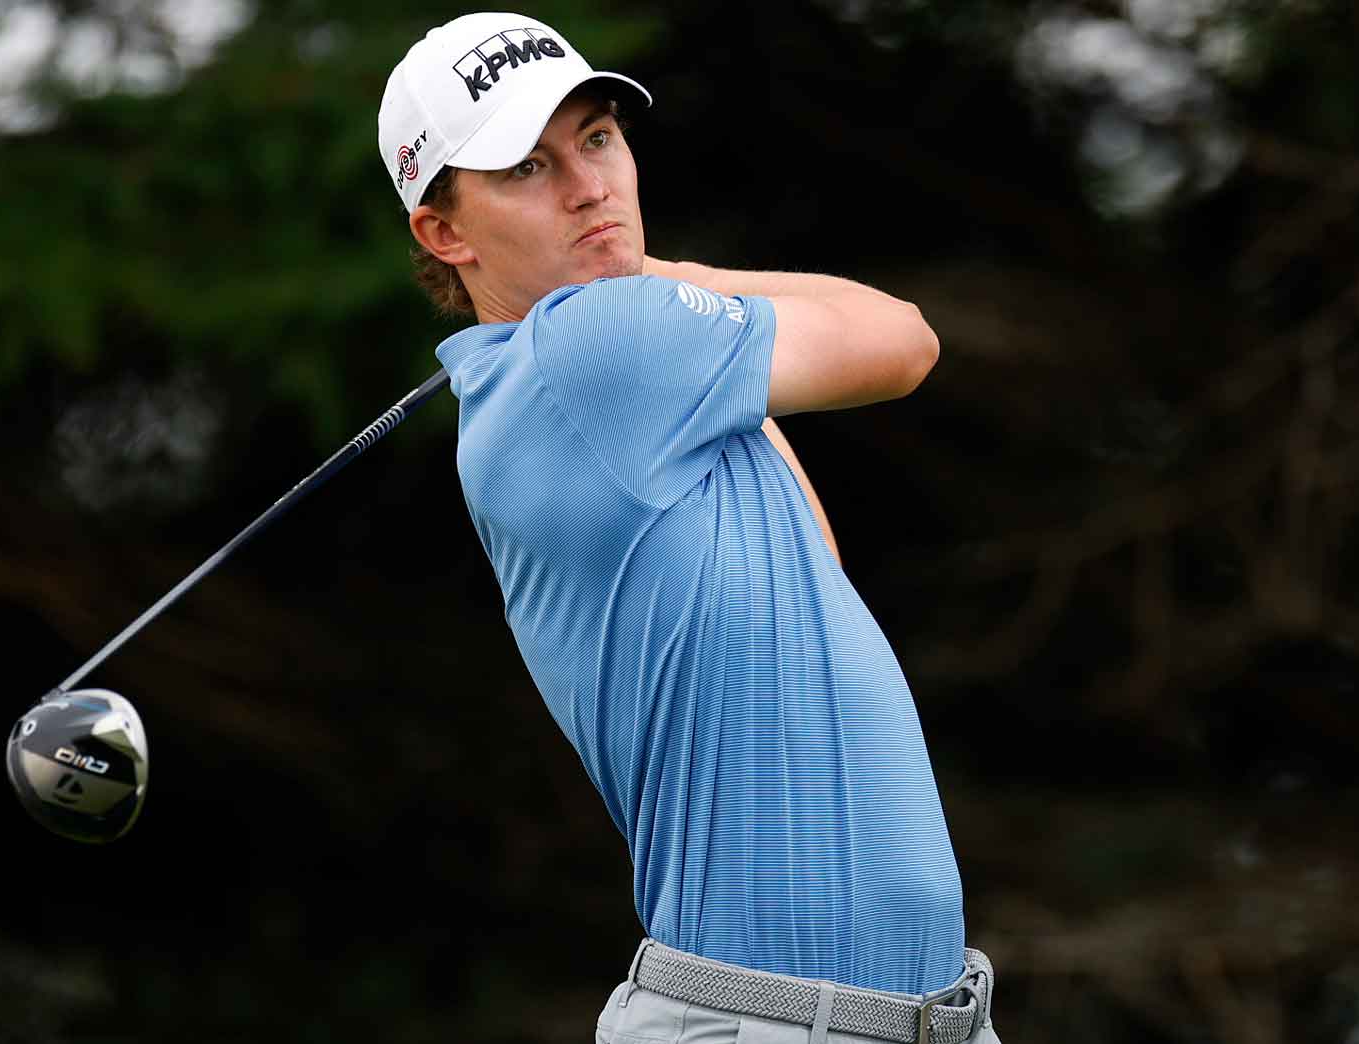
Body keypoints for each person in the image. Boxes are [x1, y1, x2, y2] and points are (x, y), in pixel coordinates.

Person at [379, 13, 999, 1043]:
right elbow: (903, 340)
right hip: (769, 1025)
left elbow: (817, 573)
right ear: (446, 233)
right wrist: (664, 275)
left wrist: (640, 277)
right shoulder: (593, 348)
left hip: (896, 1019)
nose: (588, 187)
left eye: (597, 138)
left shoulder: (614, 380)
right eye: (527, 167)